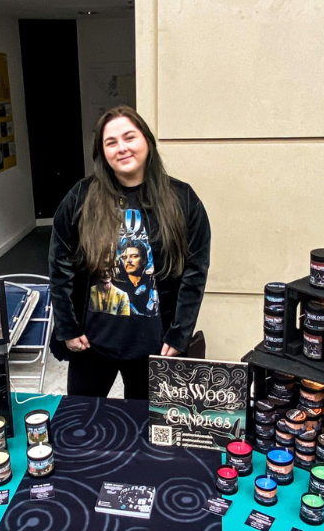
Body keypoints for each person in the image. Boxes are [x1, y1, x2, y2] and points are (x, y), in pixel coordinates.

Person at [49, 105, 211, 399]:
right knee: (83, 427)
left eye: (129, 137)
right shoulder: (80, 198)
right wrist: (68, 328)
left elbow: (195, 272)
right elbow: (60, 268)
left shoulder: (183, 199)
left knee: (147, 436)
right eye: (111, 142)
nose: (121, 148)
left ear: (147, 141)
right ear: (102, 153)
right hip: (92, 343)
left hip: (154, 345)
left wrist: (180, 333)